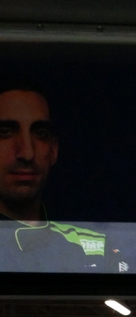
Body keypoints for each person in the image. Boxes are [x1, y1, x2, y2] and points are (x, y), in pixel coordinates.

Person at [1, 83, 113, 271]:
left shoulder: (96, 249)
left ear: (54, 150)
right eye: (5, 132)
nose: (27, 153)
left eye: (40, 133)